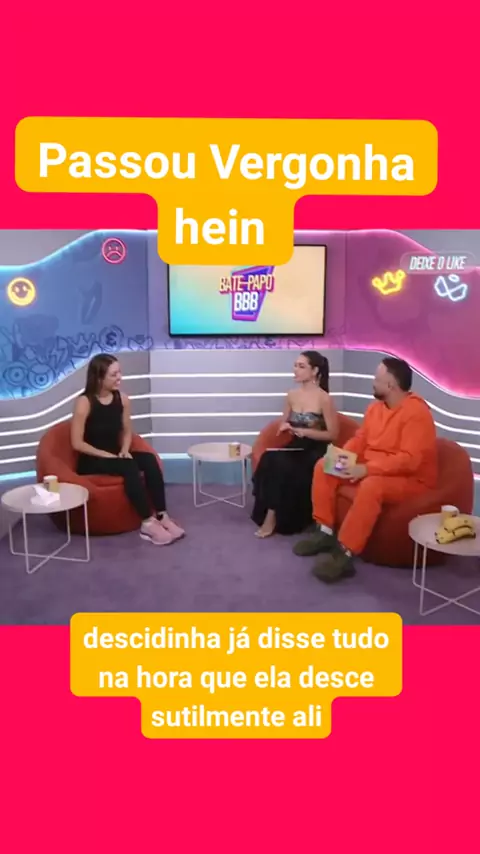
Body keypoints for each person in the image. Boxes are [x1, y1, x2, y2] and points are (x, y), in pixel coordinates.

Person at [293, 357, 438, 582]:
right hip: (372, 467)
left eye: (377, 380)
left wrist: (366, 469)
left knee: (372, 486)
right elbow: (360, 440)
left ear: (391, 385)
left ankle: (346, 552)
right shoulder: (374, 408)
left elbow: (409, 460)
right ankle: (325, 531)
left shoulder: (417, 413)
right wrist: (341, 458)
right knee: (324, 466)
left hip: (410, 478)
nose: (372, 383)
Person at [71, 353, 185, 546]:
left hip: (116, 455)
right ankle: (147, 523)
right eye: (113, 375)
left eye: (119, 373)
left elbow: (127, 431)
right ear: (99, 378)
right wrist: (108, 456)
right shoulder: (84, 402)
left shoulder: (123, 399)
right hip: (92, 459)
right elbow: (77, 443)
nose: (119, 378)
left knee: (149, 459)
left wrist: (124, 450)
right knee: (129, 466)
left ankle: (162, 515)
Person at [251, 351, 339, 537]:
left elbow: (332, 434)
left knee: (282, 464)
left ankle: (271, 519)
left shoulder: (324, 398)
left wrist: (305, 431)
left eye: (301, 366)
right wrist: (284, 427)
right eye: (295, 365)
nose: (295, 370)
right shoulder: (291, 395)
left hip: (315, 450)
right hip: (296, 445)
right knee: (269, 458)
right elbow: (284, 422)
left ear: (314, 371)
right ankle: (269, 513)